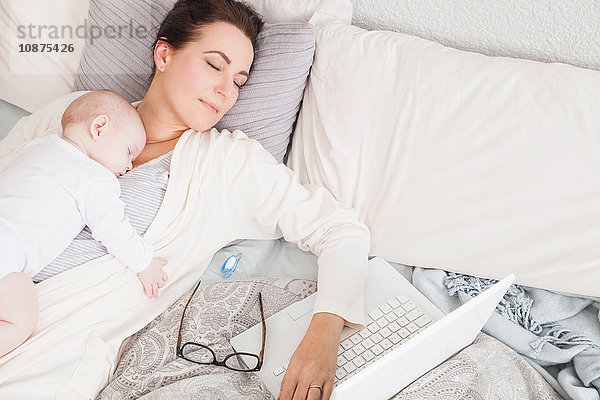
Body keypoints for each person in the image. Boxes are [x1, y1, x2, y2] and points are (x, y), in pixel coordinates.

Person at [12, 1, 370, 399]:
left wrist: (322, 335)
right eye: (215, 65)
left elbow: (341, 231)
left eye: (239, 81)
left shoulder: (227, 163)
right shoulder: (76, 114)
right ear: (164, 54)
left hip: (46, 353)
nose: (226, 90)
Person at [0, 90, 169, 358]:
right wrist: (144, 262)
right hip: (7, 258)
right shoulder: (96, 178)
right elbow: (113, 229)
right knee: (20, 319)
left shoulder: (36, 145)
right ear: (99, 127)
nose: (128, 166)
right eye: (128, 152)